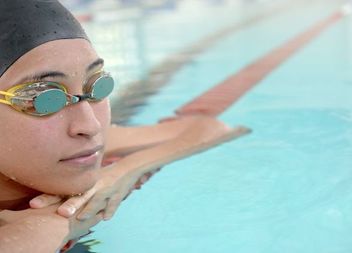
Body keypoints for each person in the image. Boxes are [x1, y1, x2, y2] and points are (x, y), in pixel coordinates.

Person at [0, 1, 249, 252]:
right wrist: (53, 224)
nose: (90, 125)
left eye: (97, 86)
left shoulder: (76, 144)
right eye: (44, 99)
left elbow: (210, 128)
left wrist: (120, 173)